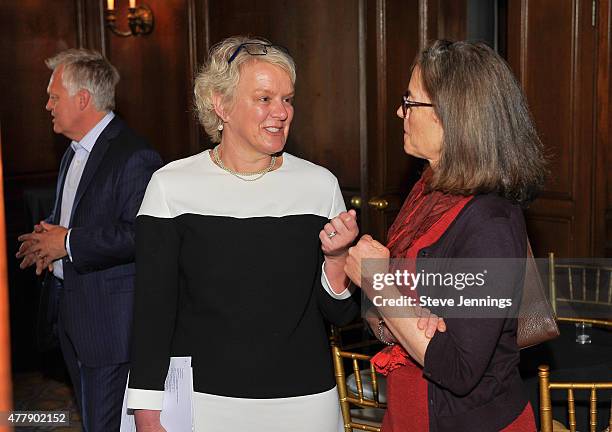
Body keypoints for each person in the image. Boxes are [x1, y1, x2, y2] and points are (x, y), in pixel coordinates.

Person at [126, 36, 360, 432]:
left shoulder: (320, 186)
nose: (281, 112)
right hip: (204, 403)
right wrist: (146, 410)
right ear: (221, 104)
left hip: (304, 403)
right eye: (264, 99)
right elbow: (153, 310)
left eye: (287, 99)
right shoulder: (170, 186)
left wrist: (337, 258)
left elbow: (340, 313)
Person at [345, 40, 546, 432]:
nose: (399, 111)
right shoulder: (428, 190)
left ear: (453, 116)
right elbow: (387, 323)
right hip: (406, 415)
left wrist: (379, 283)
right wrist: (399, 308)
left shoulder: (491, 222)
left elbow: (457, 369)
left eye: (411, 100)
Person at [16, 49, 163, 432]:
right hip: (72, 312)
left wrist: (66, 244)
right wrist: (44, 237)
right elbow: (71, 219)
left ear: (83, 99)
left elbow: (140, 235)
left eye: (54, 96)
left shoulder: (135, 155)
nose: (47, 105)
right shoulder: (74, 151)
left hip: (109, 325)